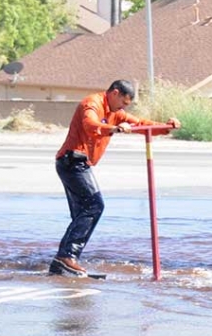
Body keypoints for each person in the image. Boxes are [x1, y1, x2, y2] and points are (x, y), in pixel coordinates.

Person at [50, 79, 180, 277]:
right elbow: (90, 124)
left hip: (78, 165)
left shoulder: (115, 113)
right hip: (71, 162)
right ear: (115, 93)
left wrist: (167, 127)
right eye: (124, 102)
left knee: (82, 214)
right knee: (94, 206)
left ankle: (62, 262)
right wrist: (113, 129)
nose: (124, 107)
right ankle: (67, 257)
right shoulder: (92, 103)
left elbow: (141, 124)